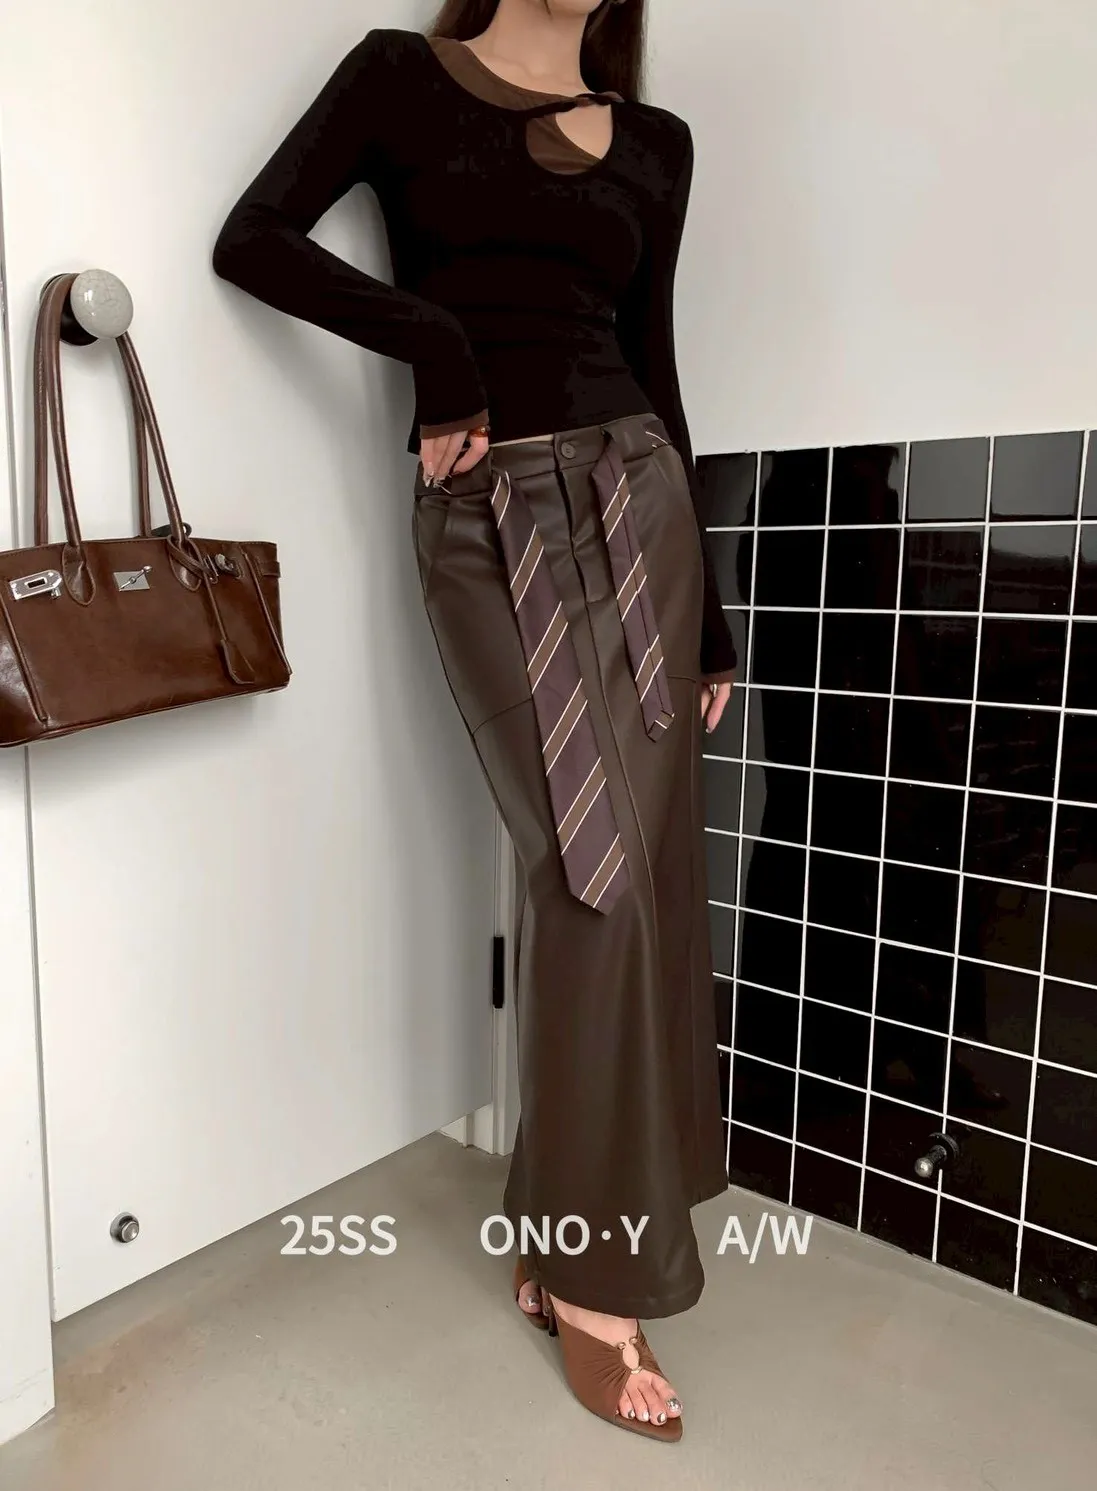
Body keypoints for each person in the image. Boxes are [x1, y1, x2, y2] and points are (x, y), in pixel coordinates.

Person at [212, 0, 736, 1444]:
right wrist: (435, 345)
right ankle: (595, 1274)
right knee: (589, 872)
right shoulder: (404, 77)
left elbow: (658, 359)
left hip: (642, 504)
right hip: (493, 517)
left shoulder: (659, 143)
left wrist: (711, 612)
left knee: (639, 879)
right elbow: (254, 238)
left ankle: (566, 1230)